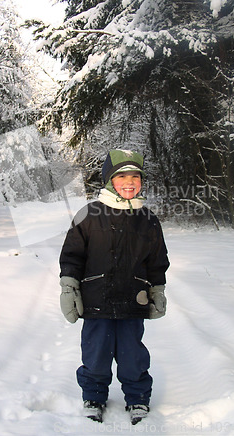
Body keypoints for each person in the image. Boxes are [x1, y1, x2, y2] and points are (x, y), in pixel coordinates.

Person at [59, 149, 170, 425]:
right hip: (97, 301)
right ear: (109, 180)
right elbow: (72, 255)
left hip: (134, 301)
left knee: (133, 355)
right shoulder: (89, 215)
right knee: (95, 353)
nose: (129, 182)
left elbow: (157, 260)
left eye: (135, 176)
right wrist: (69, 288)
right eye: (122, 176)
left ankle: (137, 397)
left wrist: (158, 290)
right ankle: (94, 396)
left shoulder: (148, 219)